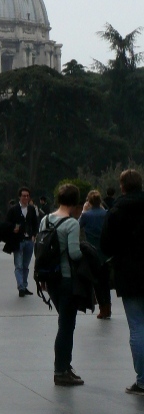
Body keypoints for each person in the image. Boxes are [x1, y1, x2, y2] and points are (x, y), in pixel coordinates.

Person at [100, 169, 144, 396]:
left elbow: (105, 245)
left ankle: (143, 380)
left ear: (123, 186)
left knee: (137, 326)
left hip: (129, 273)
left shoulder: (116, 210)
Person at [40, 184, 84, 386]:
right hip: (67, 278)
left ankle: (65, 366)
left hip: (50, 278)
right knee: (66, 326)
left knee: (64, 322)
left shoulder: (45, 219)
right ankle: (61, 370)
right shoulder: (72, 224)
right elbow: (74, 253)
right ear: (75, 202)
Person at [79, 190, 111, 319]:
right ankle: (108, 306)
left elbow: (77, 225)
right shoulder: (106, 214)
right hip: (106, 250)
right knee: (106, 281)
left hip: (92, 251)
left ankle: (102, 307)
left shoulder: (87, 215)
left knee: (96, 281)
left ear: (89, 202)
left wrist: (83, 211)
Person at [5, 187, 40, 297]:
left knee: (26, 265)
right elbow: (7, 223)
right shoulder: (13, 209)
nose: (25, 198)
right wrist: (12, 229)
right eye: (23, 196)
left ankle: (24, 285)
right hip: (18, 240)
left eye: (27, 196)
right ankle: (21, 287)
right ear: (19, 197)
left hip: (29, 240)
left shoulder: (31, 209)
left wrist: (34, 235)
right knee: (18, 265)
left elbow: (35, 223)